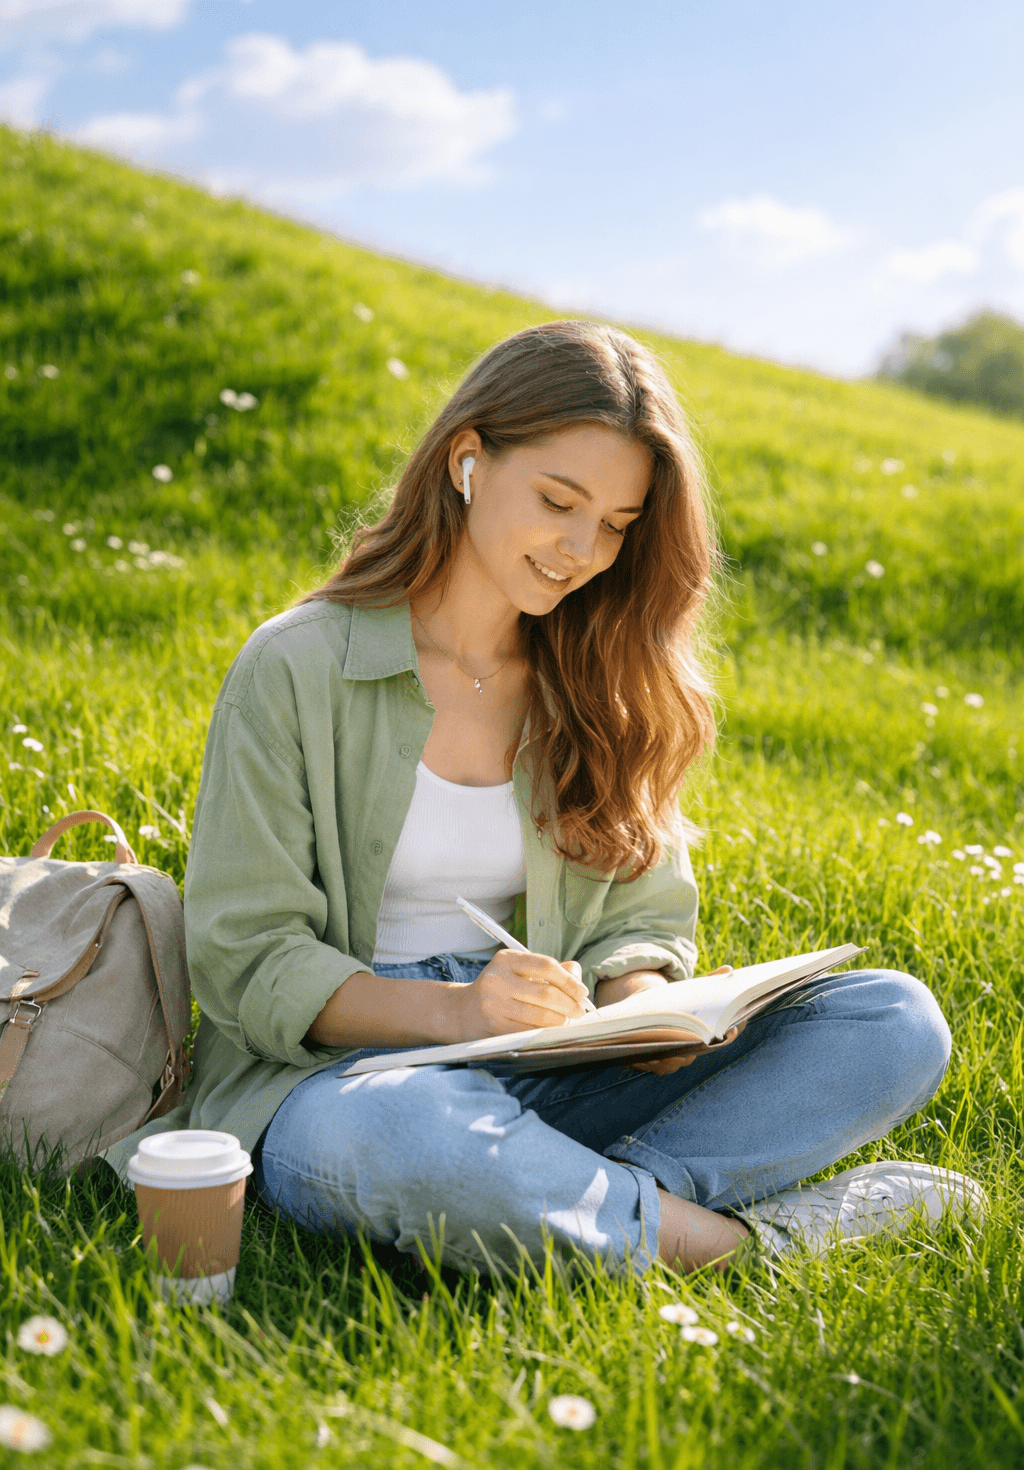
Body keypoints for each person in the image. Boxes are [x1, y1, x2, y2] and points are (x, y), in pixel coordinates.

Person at [106, 320, 983, 1273]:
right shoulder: (297, 667)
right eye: (558, 501)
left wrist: (642, 1008)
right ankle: (748, 1244)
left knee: (888, 1020)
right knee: (404, 1140)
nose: (580, 550)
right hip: (348, 1082)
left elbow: (639, 916)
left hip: (557, 1057)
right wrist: (456, 1015)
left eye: (615, 526)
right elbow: (245, 956)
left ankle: (569, 1200)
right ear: (468, 461)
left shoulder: (600, 673)